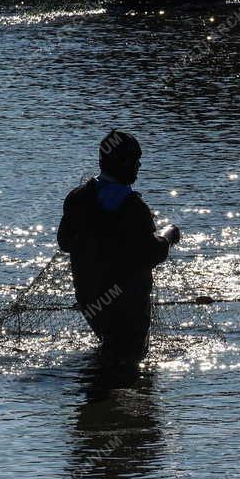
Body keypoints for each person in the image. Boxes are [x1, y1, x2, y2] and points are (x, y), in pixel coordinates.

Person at [57, 131, 180, 363]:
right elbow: (152, 253)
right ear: (122, 162)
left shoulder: (77, 198)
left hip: (91, 301)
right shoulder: (133, 207)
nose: (139, 166)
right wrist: (169, 234)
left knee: (109, 350)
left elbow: (64, 242)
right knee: (129, 360)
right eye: (135, 160)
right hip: (127, 306)